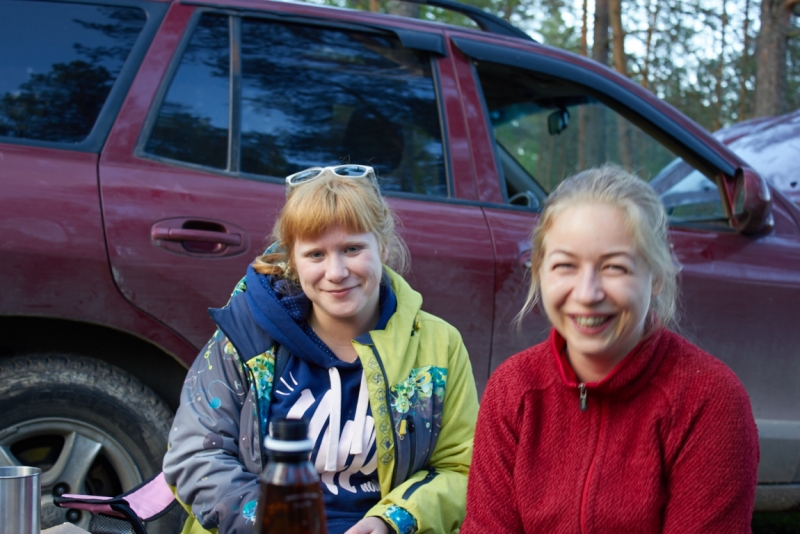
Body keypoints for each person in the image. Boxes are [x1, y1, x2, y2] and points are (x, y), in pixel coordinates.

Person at [163, 165, 479, 534]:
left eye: (352, 248)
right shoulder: (243, 340)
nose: (336, 271)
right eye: (315, 254)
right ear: (292, 260)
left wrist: (391, 521)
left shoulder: (438, 347)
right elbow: (195, 457)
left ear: (384, 246)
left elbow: (460, 468)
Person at [460, 165, 759, 533]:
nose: (587, 294)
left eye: (615, 268)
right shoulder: (513, 389)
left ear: (658, 277)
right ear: (539, 271)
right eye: (565, 266)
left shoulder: (709, 399)